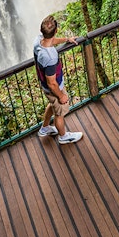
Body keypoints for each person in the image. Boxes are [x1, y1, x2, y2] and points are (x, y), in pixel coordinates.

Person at [34, 15, 84, 144]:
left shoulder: (38, 41)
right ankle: (63, 136)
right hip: (54, 88)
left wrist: (67, 39)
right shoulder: (50, 57)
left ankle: (45, 128)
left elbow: (51, 40)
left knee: (53, 105)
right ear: (55, 30)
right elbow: (52, 83)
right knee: (59, 114)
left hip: (44, 85)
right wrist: (61, 95)